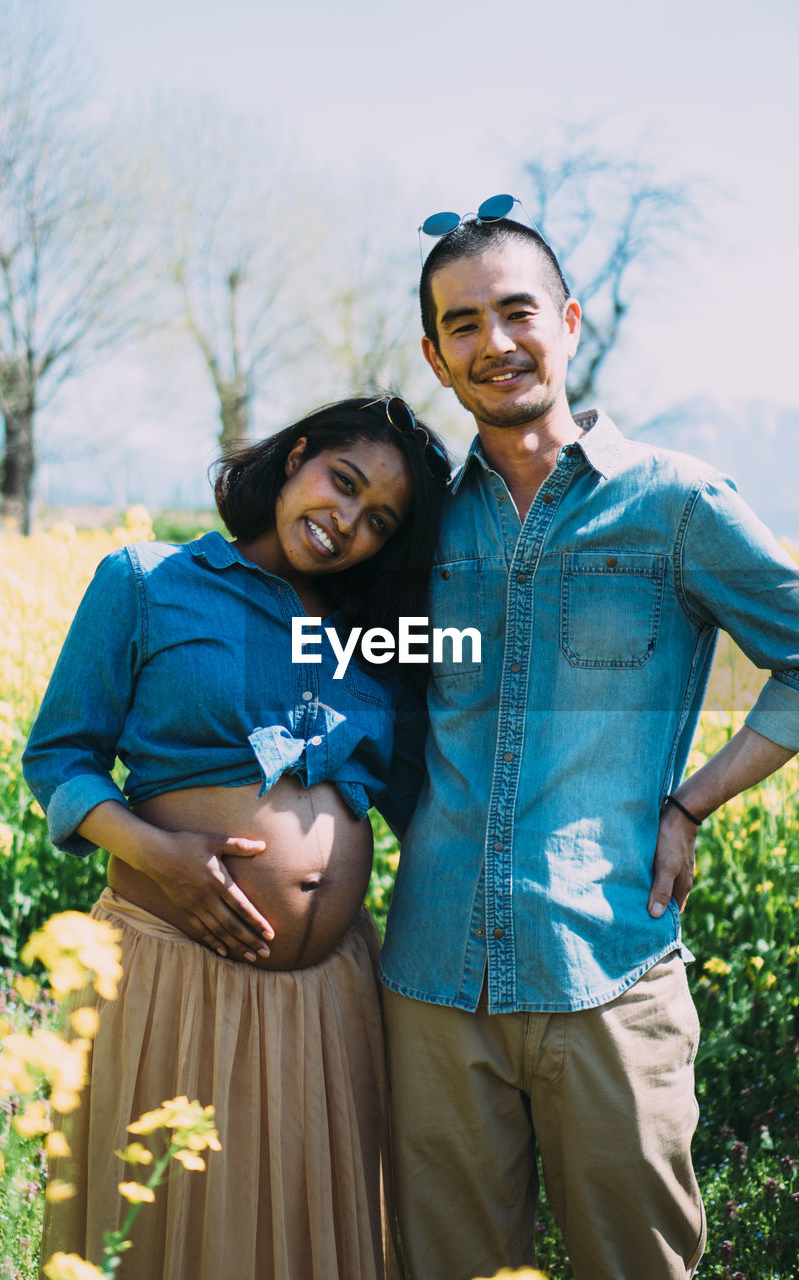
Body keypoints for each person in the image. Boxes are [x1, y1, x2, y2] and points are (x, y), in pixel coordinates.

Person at [378, 211, 799, 1280]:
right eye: (461, 324)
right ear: (435, 356)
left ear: (565, 323)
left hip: (609, 966)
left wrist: (690, 801)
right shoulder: (416, 520)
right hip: (432, 985)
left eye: (517, 311)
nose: (495, 342)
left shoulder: (674, 503)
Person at [22, 396, 450, 1280]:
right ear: (295, 458)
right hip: (168, 972)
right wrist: (155, 854)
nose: (345, 523)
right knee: (165, 1234)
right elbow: (60, 759)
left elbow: (424, 803)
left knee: (302, 1245)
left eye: (379, 521)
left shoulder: (377, 639)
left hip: (327, 1003)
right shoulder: (147, 581)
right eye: (341, 482)